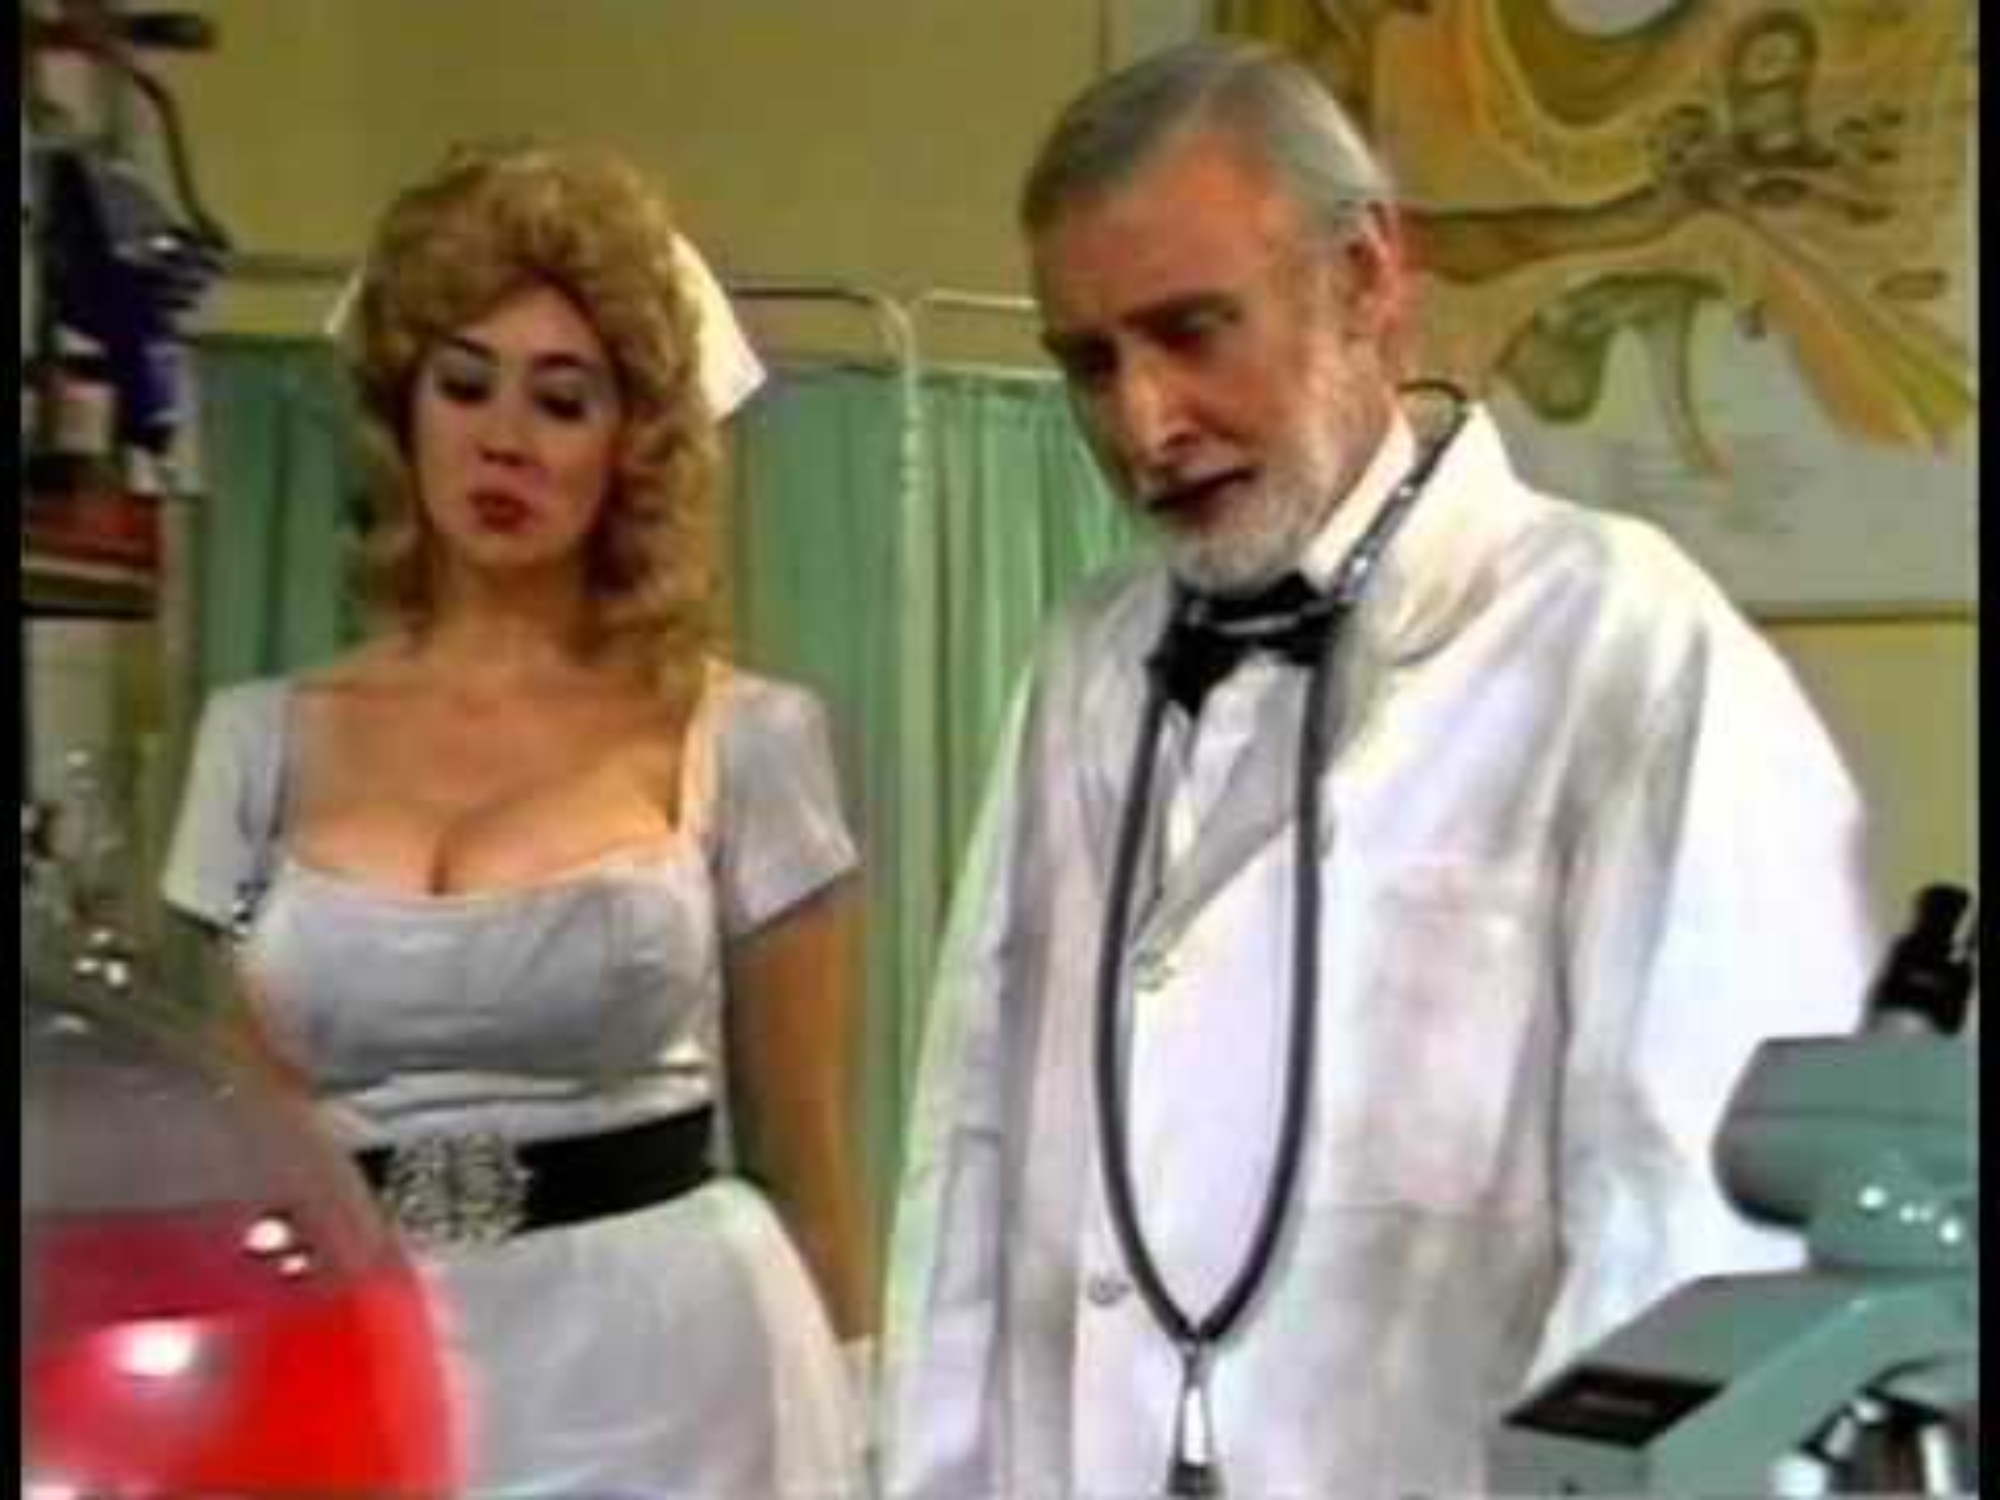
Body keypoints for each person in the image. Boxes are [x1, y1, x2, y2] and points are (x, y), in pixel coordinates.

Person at [878, 38, 1879, 1499]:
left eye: (1192, 332)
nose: (1145, 424)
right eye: (1091, 364)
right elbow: (976, 1167)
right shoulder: (1089, 663)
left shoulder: (1628, 653)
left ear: (1363, 280)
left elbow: (1694, 1233)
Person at [163, 141, 874, 1496]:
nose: (504, 437)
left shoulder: (745, 738)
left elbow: (810, 1159)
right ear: (404, 405)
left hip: (674, 1374)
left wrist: (871, 1409)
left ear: (632, 445)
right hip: (369, 1342)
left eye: (563, 399)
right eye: (464, 382)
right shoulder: (255, 742)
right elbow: (245, 1146)